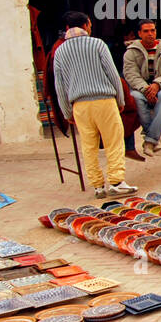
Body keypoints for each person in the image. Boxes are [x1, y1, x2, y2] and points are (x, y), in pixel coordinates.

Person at [52, 12, 137, 197]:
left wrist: (67, 112)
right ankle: (116, 181)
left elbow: (60, 85)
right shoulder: (97, 44)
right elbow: (113, 74)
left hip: (79, 106)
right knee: (113, 141)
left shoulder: (60, 51)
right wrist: (121, 100)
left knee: (88, 146)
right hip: (104, 100)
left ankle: (97, 186)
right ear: (86, 25)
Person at [122, 20, 161, 153]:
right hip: (140, 89)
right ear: (139, 33)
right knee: (135, 97)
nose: (150, 34)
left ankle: (150, 141)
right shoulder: (131, 52)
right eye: (146, 31)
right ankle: (154, 137)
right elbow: (131, 74)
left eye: (153, 30)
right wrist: (146, 89)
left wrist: (157, 84)